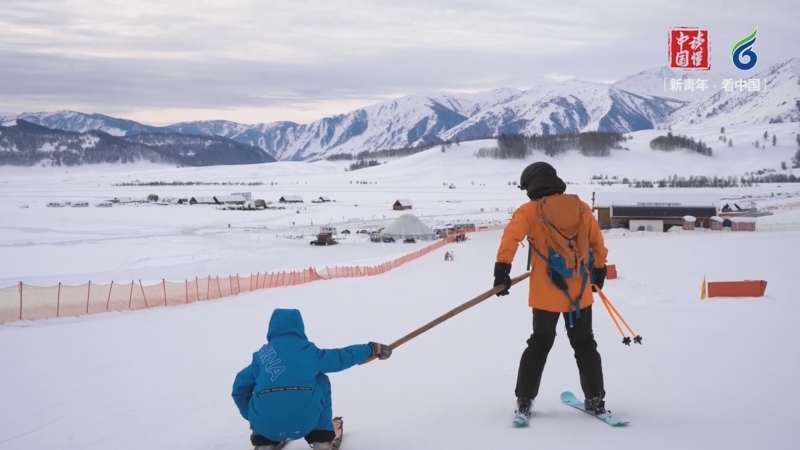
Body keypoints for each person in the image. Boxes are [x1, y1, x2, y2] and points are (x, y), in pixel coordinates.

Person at [492, 162, 609, 425]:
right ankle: (596, 400)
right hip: (579, 294)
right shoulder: (580, 207)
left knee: (539, 344)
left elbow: (511, 237)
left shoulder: (530, 211)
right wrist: (599, 269)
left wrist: (502, 269)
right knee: (585, 345)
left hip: (546, 295)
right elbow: (597, 242)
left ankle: (524, 399)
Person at [231, 308, 392, 449]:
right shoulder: (309, 353)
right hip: (306, 422)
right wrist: (372, 349)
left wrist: (254, 418)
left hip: (266, 427)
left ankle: (264, 443)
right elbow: (341, 357)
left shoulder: (261, 357)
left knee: (260, 387)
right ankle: (321, 438)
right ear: (299, 328)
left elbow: (238, 390)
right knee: (320, 378)